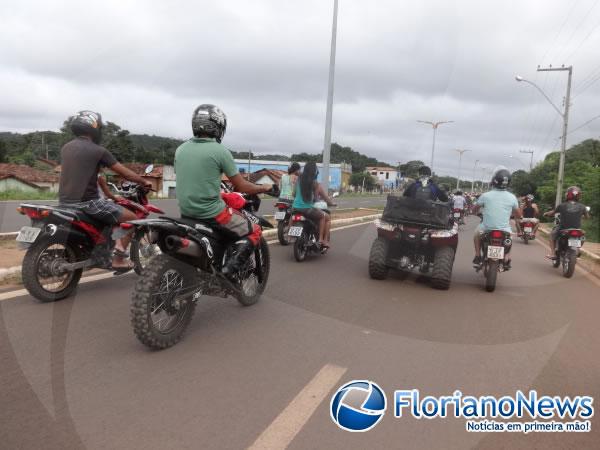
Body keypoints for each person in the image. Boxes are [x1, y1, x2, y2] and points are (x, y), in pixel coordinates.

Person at [174, 104, 272, 278]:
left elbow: (196, 181)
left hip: (186, 212)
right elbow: (242, 186)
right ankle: (228, 271)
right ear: (218, 126)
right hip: (212, 214)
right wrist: (264, 187)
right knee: (255, 229)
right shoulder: (220, 151)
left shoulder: (180, 150)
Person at [58, 110, 152, 270]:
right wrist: (144, 181)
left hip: (64, 203)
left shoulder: (66, 147)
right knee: (132, 218)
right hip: (88, 203)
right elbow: (124, 173)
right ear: (94, 128)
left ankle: (98, 251)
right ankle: (118, 259)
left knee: (109, 217)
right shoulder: (98, 151)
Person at [472, 168, 521, 269]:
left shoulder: (485, 195)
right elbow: (518, 214)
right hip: (504, 229)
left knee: (476, 234)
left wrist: (475, 212)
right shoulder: (512, 197)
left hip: (486, 228)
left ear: (494, 181)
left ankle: (477, 255)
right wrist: (515, 216)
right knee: (509, 239)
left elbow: (474, 209)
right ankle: (507, 258)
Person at [292, 161, 336, 248]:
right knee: (324, 217)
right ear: (314, 171)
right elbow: (316, 198)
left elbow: (293, 194)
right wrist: (330, 203)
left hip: (295, 208)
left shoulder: (298, 179)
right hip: (307, 209)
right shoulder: (314, 182)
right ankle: (322, 240)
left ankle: (291, 236)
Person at [543, 186, 590, 259]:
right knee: (583, 237)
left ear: (568, 195)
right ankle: (577, 249)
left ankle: (553, 254)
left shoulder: (562, 205)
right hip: (576, 229)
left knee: (552, 235)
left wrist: (546, 214)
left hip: (563, 228)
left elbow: (552, 213)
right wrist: (582, 216)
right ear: (578, 195)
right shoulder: (582, 206)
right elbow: (587, 217)